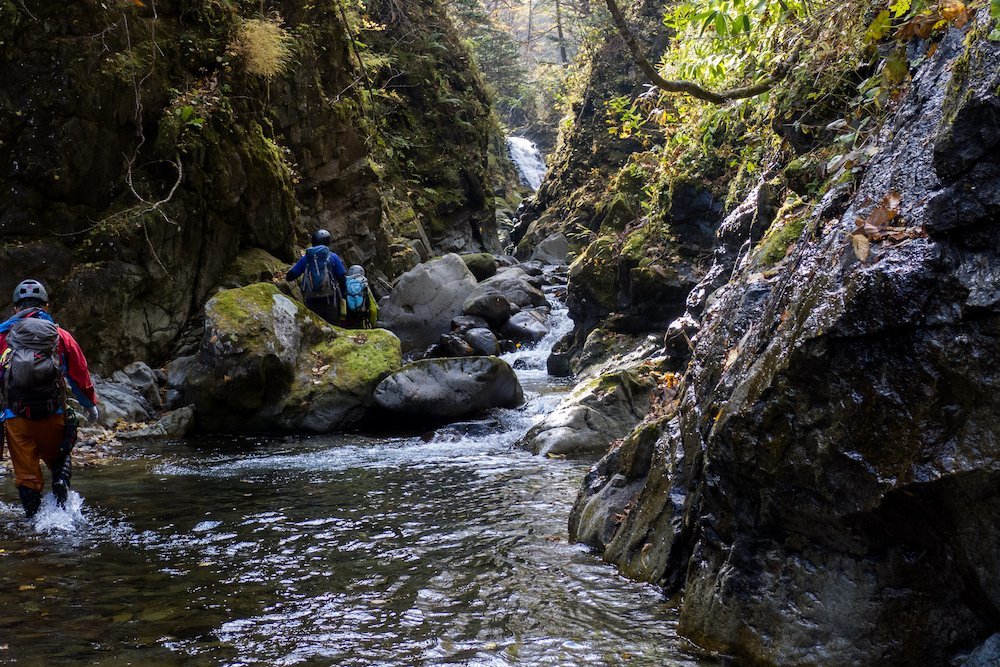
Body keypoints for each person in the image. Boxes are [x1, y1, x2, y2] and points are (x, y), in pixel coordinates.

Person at [0, 279, 98, 518]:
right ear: (46, 306)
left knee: (26, 478)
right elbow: (79, 373)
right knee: (59, 461)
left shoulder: (2, 335)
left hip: (15, 418)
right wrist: (90, 404)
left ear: (15, 308)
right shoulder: (59, 335)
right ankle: (62, 507)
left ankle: (36, 525)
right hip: (52, 413)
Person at [285, 229, 347, 325]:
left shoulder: (306, 258)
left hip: (312, 299)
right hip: (331, 299)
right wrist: (343, 294)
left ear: (313, 242)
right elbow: (342, 276)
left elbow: (290, 276)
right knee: (333, 327)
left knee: (316, 325)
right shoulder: (333, 257)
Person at [340, 265, 379, 329]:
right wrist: (373, 323)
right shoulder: (364, 287)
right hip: (361, 321)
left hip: (346, 321)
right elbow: (373, 309)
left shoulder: (344, 285)